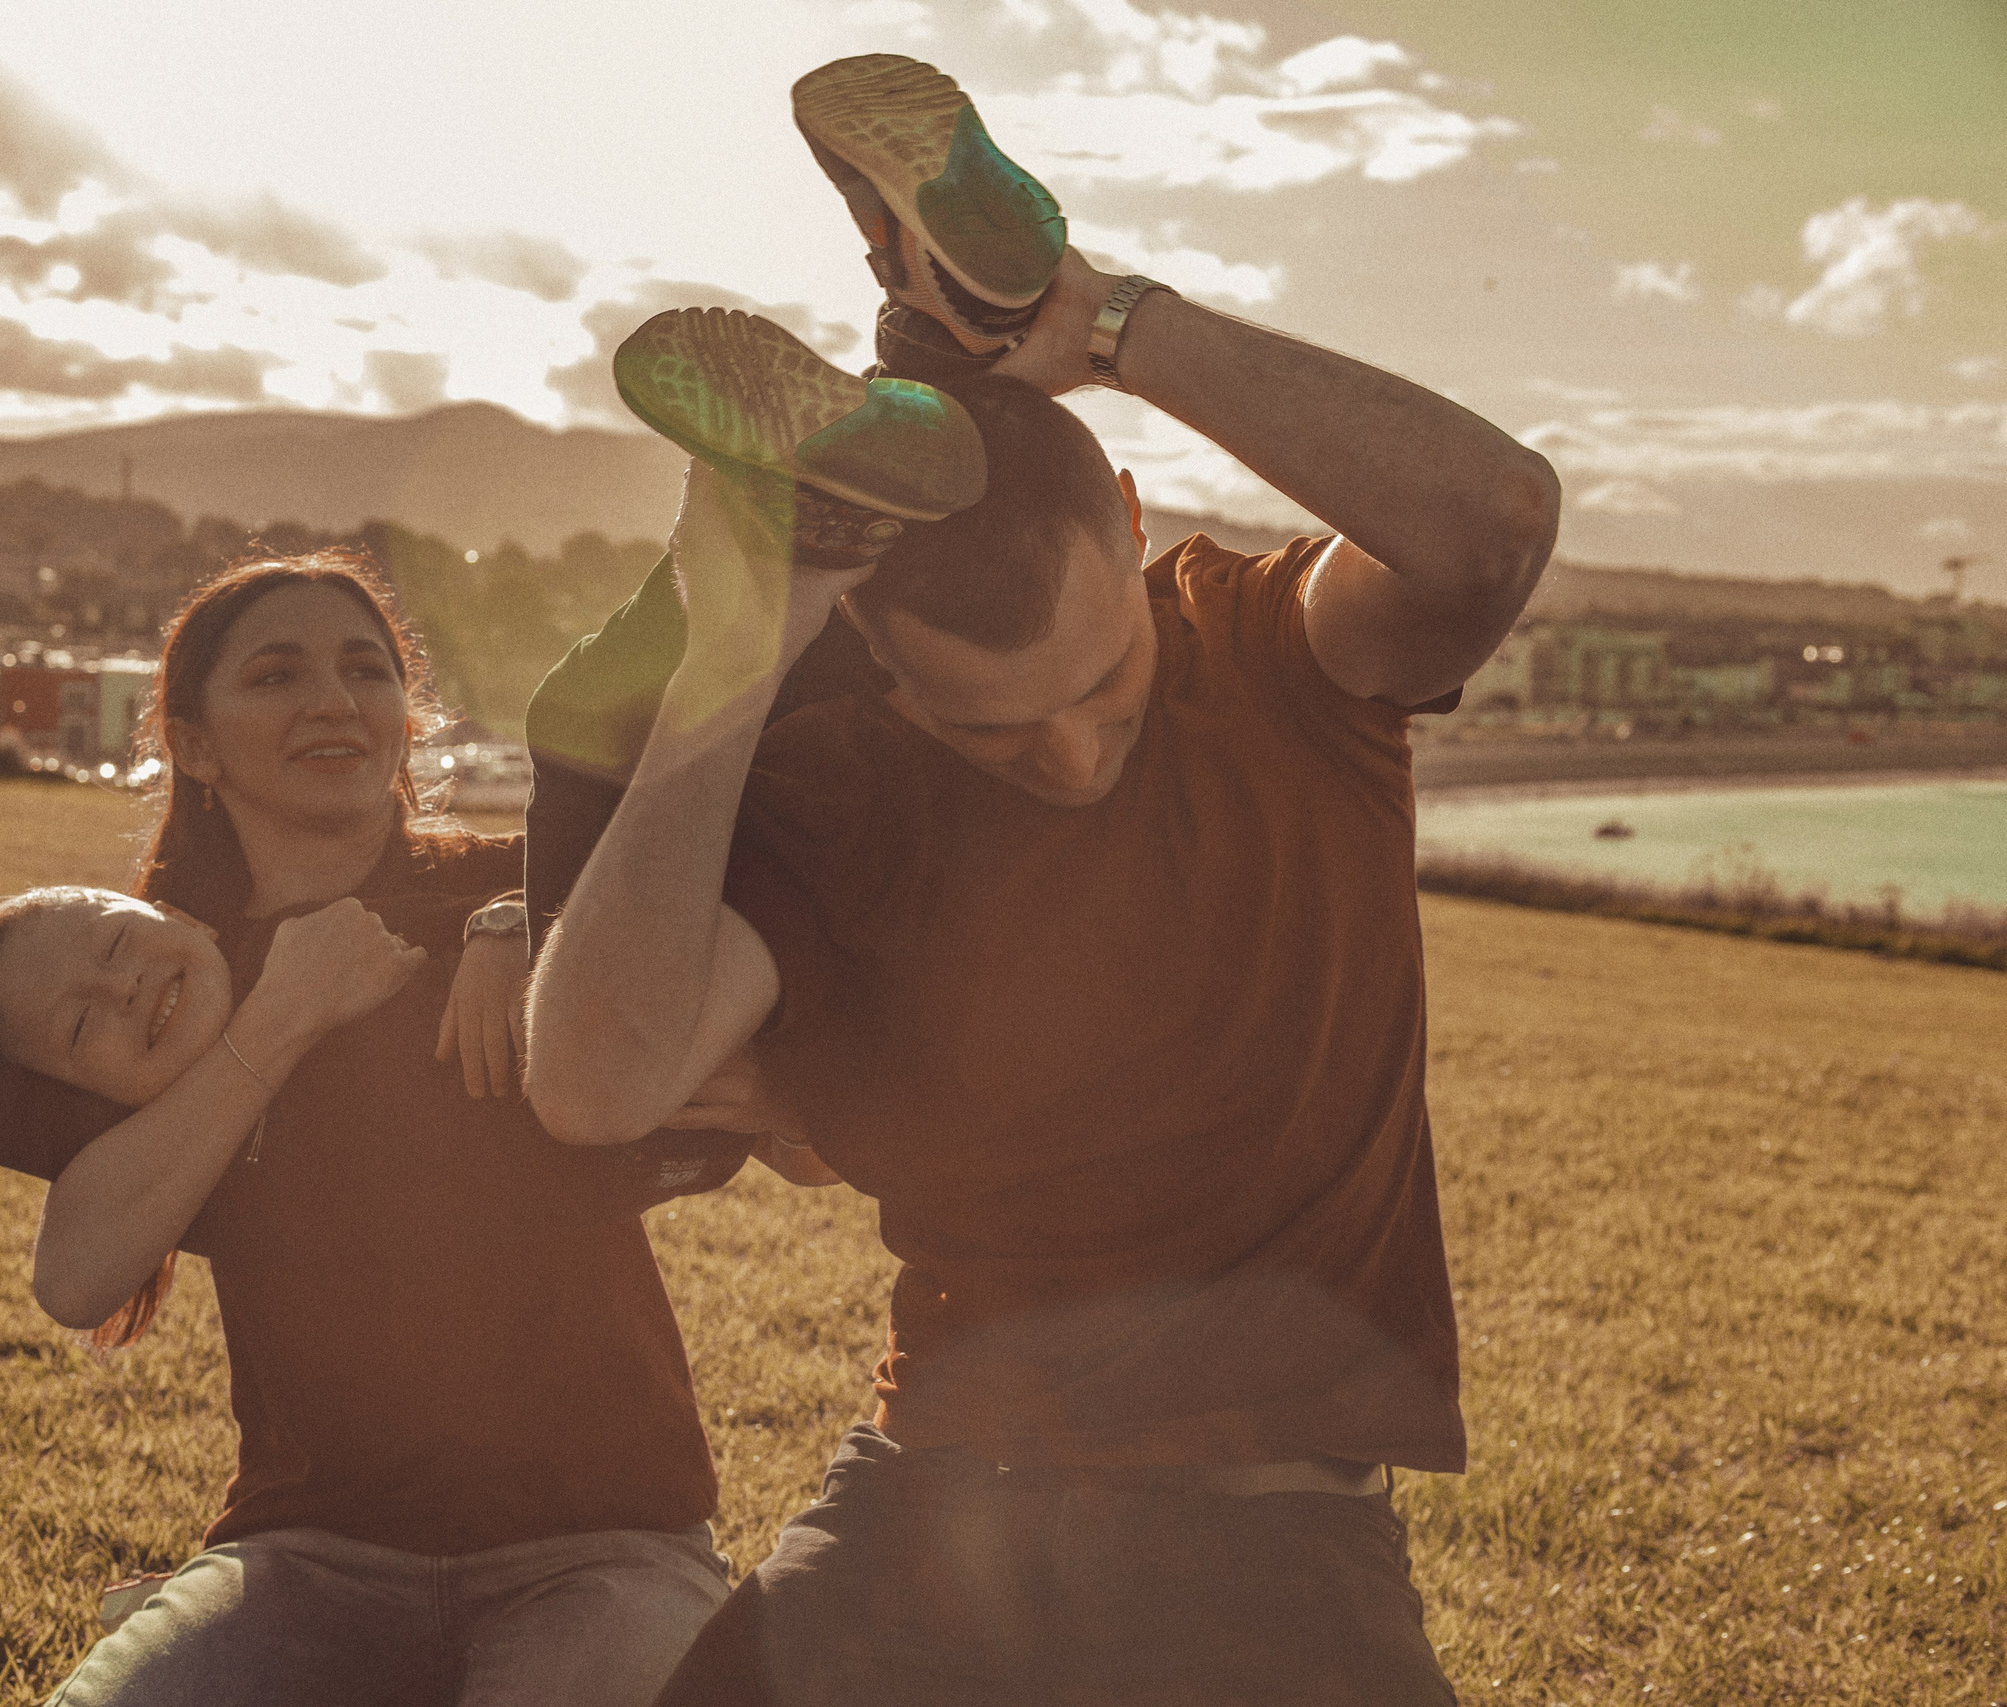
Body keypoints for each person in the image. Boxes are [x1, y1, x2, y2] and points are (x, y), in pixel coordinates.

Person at [522, 54, 1561, 1705]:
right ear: (874, 655)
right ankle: (886, 402)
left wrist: (1110, 327)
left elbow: (1491, 521)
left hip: (1264, 1551)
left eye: (1106, 687)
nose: (1071, 755)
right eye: (998, 733)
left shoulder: (1272, 657)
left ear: (1139, 521)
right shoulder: (840, 785)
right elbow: (591, 1078)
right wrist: (746, 639)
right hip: (928, 1497)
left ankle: (945, 347)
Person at [0, 553, 778, 1707]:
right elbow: (71, 1266)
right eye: (276, 675)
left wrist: (516, 922)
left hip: (603, 1544)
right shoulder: (167, 995)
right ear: (194, 747)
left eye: (366, 669)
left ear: (409, 717)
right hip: (305, 1558)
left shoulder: (536, 881)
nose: (332, 702)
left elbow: (750, 911)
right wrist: (279, 1019)